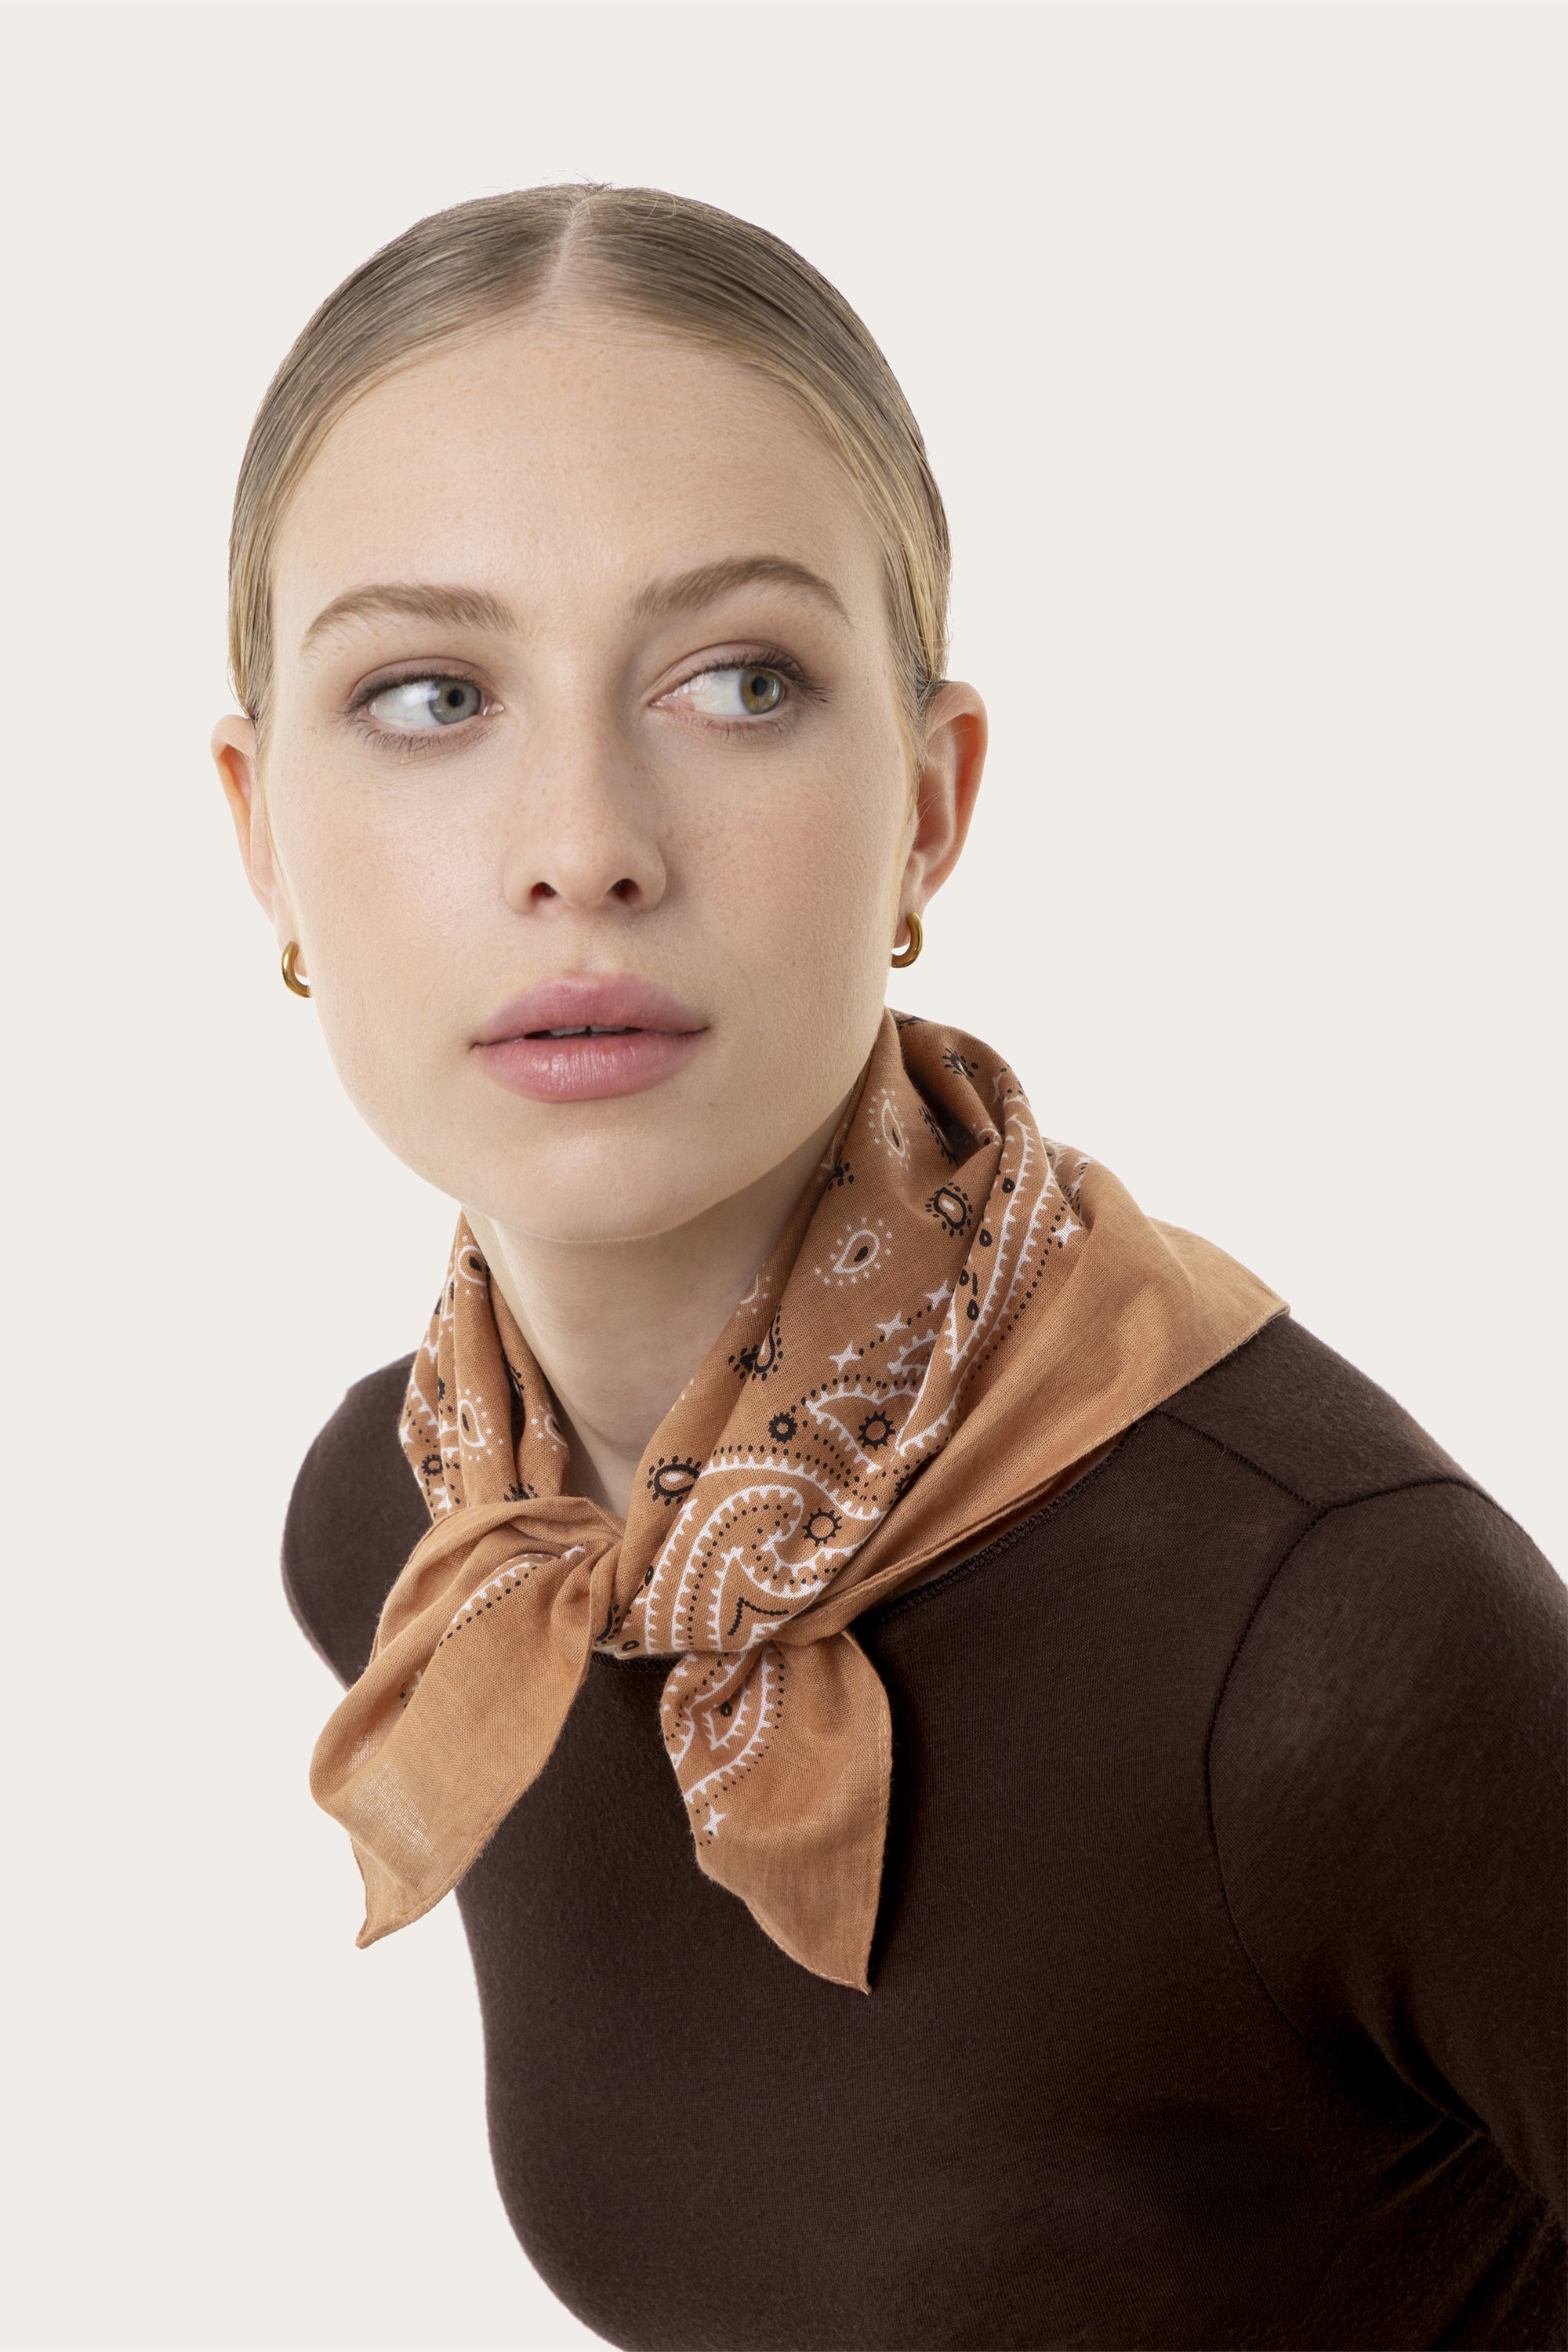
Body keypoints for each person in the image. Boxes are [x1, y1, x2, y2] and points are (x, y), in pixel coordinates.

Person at [212, 185, 1566, 2351]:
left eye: (739, 681)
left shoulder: (1334, 1644)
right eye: (431, 692)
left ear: (931, 804)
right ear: (259, 831)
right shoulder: (404, 1543)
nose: (585, 843)